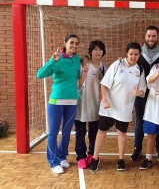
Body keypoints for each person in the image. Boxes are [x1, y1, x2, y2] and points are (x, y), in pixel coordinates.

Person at [89, 42, 147, 172]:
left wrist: (139, 92)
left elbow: (143, 89)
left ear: (139, 55)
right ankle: (95, 158)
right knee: (101, 132)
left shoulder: (140, 70)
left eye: (136, 54)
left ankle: (121, 160)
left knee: (122, 133)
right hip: (108, 107)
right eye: (131, 54)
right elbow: (104, 84)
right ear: (127, 53)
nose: (133, 56)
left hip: (125, 109)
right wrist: (104, 100)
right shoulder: (117, 64)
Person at [36, 34, 81, 174]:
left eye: (76, 43)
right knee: (53, 132)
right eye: (71, 43)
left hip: (72, 101)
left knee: (67, 132)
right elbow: (40, 75)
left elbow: (78, 79)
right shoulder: (58, 58)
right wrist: (52, 61)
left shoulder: (78, 59)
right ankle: (53, 162)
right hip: (56, 101)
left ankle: (61, 157)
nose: (74, 45)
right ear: (65, 43)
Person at [131, 26, 159, 161]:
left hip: (157, 94)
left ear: (157, 37)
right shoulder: (138, 53)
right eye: (149, 36)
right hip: (141, 93)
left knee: (157, 121)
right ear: (145, 37)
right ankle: (137, 149)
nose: (151, 38)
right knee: (140, 121)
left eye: (154, 36)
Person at [74, 40, 107, 169]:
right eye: (95, 49)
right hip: (81, 104)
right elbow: (77, 85)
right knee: (80, 133)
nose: (98, 52)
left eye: (100, 49)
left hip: (95, 105)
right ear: (90, 51)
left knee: (93, 133)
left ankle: (91, 154)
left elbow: (107, 86)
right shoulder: (82, 66)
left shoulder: (104, 68)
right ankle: (81, 157)